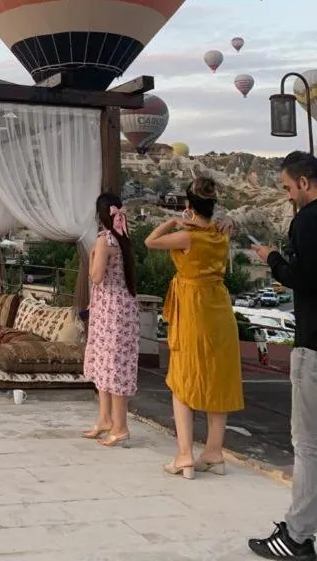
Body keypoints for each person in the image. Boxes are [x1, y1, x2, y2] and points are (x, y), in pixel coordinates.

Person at [145, 176, 243, 479]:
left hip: (193, 307)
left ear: (189, 205)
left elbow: (149, 241)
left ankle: (185, 455)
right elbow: (227, 224)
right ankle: (214, 452)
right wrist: (224, 220)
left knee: (184, 376)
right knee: (218, 376)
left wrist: (174, 220)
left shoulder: (188, 237)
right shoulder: (220, 232)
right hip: (219, 306)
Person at [248, 151, 317, 560]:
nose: (288, 196)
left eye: (288, 188)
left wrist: (271, 259)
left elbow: (302, 278)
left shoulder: (306, 221)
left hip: (313, 346)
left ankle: (297, 534)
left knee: (307, 443)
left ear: (304, 184)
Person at [82, 192, 140, 447]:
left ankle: (120, 426)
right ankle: (105, 419)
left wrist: (94, 255)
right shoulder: (123, 237)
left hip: (109, 310)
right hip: (120, 307)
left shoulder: (105, 240)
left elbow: (95, 277)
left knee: (113, 367)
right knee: (107, 365)